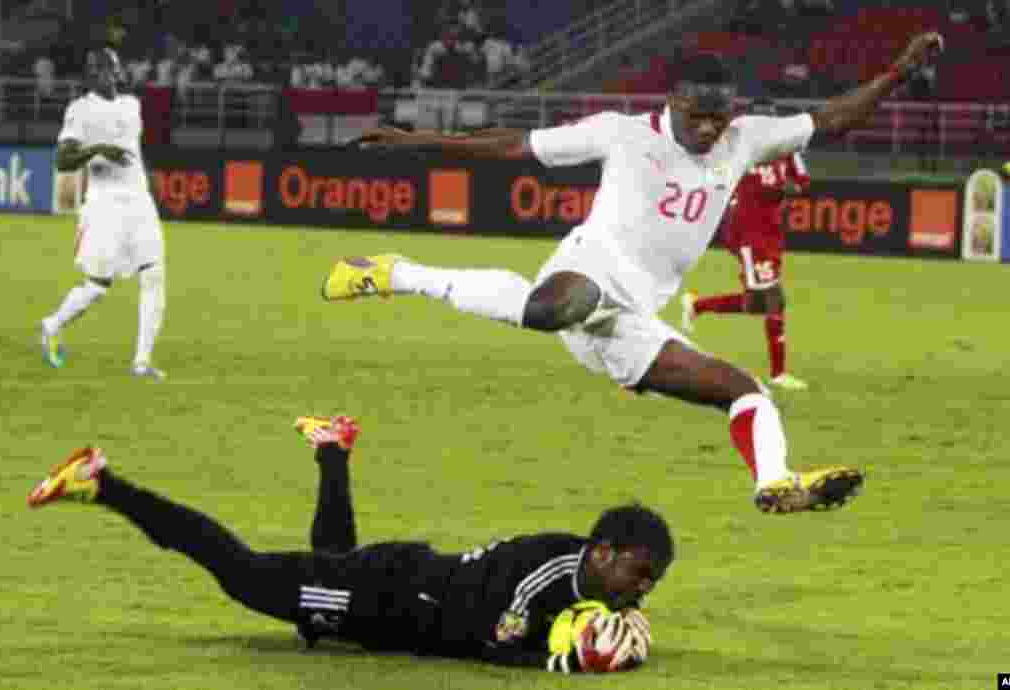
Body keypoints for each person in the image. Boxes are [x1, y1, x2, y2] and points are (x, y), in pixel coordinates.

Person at [321, 33, 945, 514]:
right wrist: (415, 140)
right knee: (554, 307)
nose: (710, 129)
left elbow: (831, 119)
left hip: (631, 318)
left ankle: (776, 481)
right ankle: (399, 273)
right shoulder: (621, 134)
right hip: (588, 269)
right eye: (698, 116)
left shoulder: (745, 139)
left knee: (746, 390)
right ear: (672, 102)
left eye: (719, 117)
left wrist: (898, 71)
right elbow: (515, 144)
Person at [26, 415, 669, 674]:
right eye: (638, 574)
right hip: (386, 596)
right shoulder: (541, 574)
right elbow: (488, 649)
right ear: (602, 552)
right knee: (244, 574)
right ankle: (102, 484)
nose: (642, 589)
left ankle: (333, 449)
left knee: (328, 571)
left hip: (401, 594)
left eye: (650, 581)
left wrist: (626, 630)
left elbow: (596, 622)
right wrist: (564, 664)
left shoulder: (587, 573)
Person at [40, 47, 167, 379]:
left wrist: (149, 185)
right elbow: (63, 161)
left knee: (154, 276)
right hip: (104, 205)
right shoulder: (80, 110)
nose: (113, 73)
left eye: (114, 67)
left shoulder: (132, 105)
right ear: (93, 73)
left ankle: (141, 362)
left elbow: (134, 152)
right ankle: (52, 325)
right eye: (105, 68)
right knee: (97, 286)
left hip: (139, 203)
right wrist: (97, 149)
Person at [680, 99, 812, 391]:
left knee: (757, 303)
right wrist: (776, 189)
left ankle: (698, 306)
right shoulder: (737, 148)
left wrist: (793, 189)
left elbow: (803, 181)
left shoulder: (787, 149)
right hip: (748, 231)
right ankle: (778, 373)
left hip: (770, 231)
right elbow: (729, 180)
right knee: (774, 299)